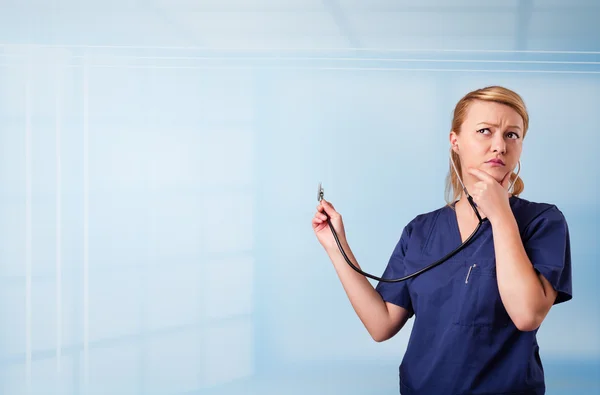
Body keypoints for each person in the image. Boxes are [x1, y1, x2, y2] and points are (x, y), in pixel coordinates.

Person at [312, 85, 572, 395]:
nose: (499, 146)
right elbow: (381, 324)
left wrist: (501, 214)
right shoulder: (421, 230)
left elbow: (527, 315)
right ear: (455, 141)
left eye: (512, 135)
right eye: (485, 131)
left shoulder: (543, 222)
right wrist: (335, 245)